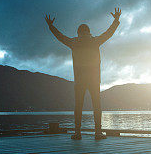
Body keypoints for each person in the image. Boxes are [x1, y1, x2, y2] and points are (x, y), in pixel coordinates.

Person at [45, 8, 121, 140]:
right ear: (88, 31)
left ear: (78, 32)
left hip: (79, 80)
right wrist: (116, 20)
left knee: (78, 106)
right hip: (94, 79)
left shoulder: (73, 42)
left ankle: (77, 133)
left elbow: (60, 37)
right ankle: (98, 133)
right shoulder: (95, 41)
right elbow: (109, 33)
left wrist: (51, 26)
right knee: (97, 105)